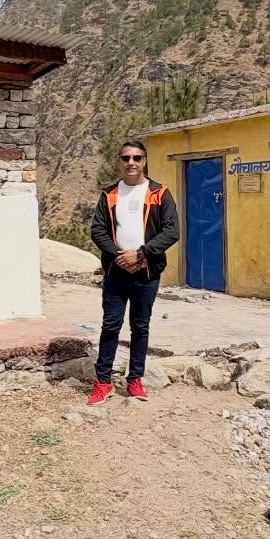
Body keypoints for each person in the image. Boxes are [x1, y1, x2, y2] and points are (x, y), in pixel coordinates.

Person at [87, 138, 180, 404]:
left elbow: (172, 231)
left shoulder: (160, 193)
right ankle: (103, 383)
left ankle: (135, 380)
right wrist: (119, 256)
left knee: (140, 327)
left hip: (146, 272)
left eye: (136, 158)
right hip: (116, 272)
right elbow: (98, 230)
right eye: (126, 158)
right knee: (110, 326)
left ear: (144, 161)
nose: (131, 163)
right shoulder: (109, 194)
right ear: (119, 161)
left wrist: (140, 255)